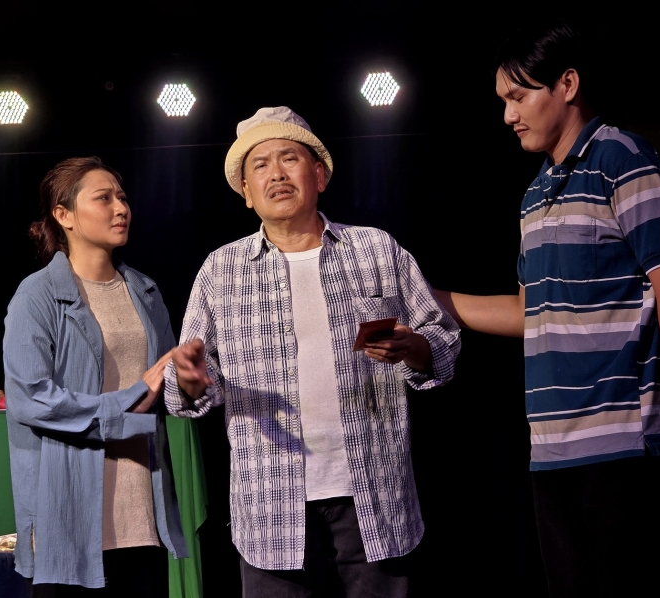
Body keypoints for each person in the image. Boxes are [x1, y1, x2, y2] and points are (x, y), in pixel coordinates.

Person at [436, 19, 660, 598]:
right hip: (553, 452)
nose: (508, 115)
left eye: (518, 96)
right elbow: (533, 312)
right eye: (503, 101)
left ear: (568, 84)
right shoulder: (535, 193)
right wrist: (436, 301)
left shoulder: (621, 158)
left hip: (627, 447)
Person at [164, 106, 461, 597]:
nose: (277, 174)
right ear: (246, 192)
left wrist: (415, 347)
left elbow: (443, 339)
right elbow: (188, 387)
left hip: (374, 494)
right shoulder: (221, 271)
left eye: (289, 159)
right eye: (260, 166)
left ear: (319, 175)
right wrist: (191, 379)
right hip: (270, 504)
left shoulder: (376, 249)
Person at [3, 157, 187, 597]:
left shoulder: (145, 291)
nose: (120, 208)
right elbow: (32, 399)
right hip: (67, 517)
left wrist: (191, 383)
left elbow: (164, 388)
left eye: (122, 197)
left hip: (141, 515)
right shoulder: (38, 295)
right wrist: (126, 404)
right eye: (103, 198)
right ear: (63, 215)